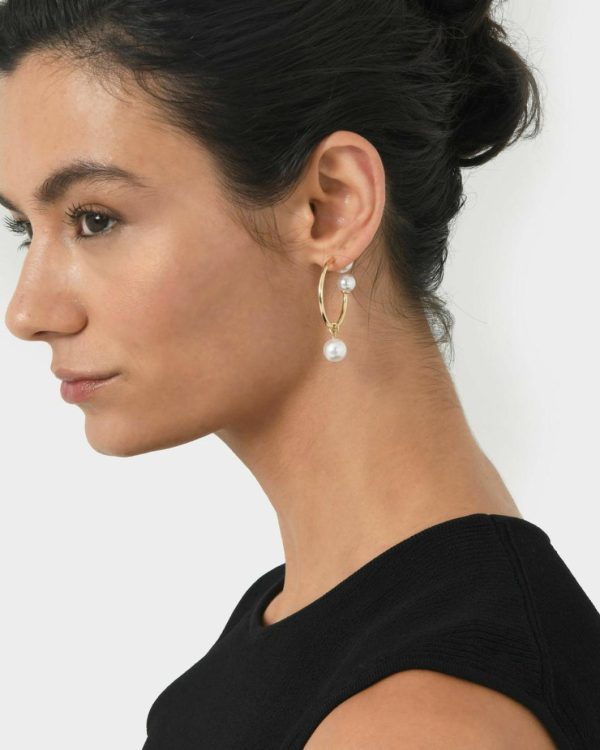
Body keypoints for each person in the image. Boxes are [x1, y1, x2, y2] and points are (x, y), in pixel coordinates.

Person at [1, 1, 598, 748]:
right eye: (23, 227)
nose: (28, 311)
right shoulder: (320, 619)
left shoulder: (419, 718)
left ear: (331, 207)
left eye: (95, 219)